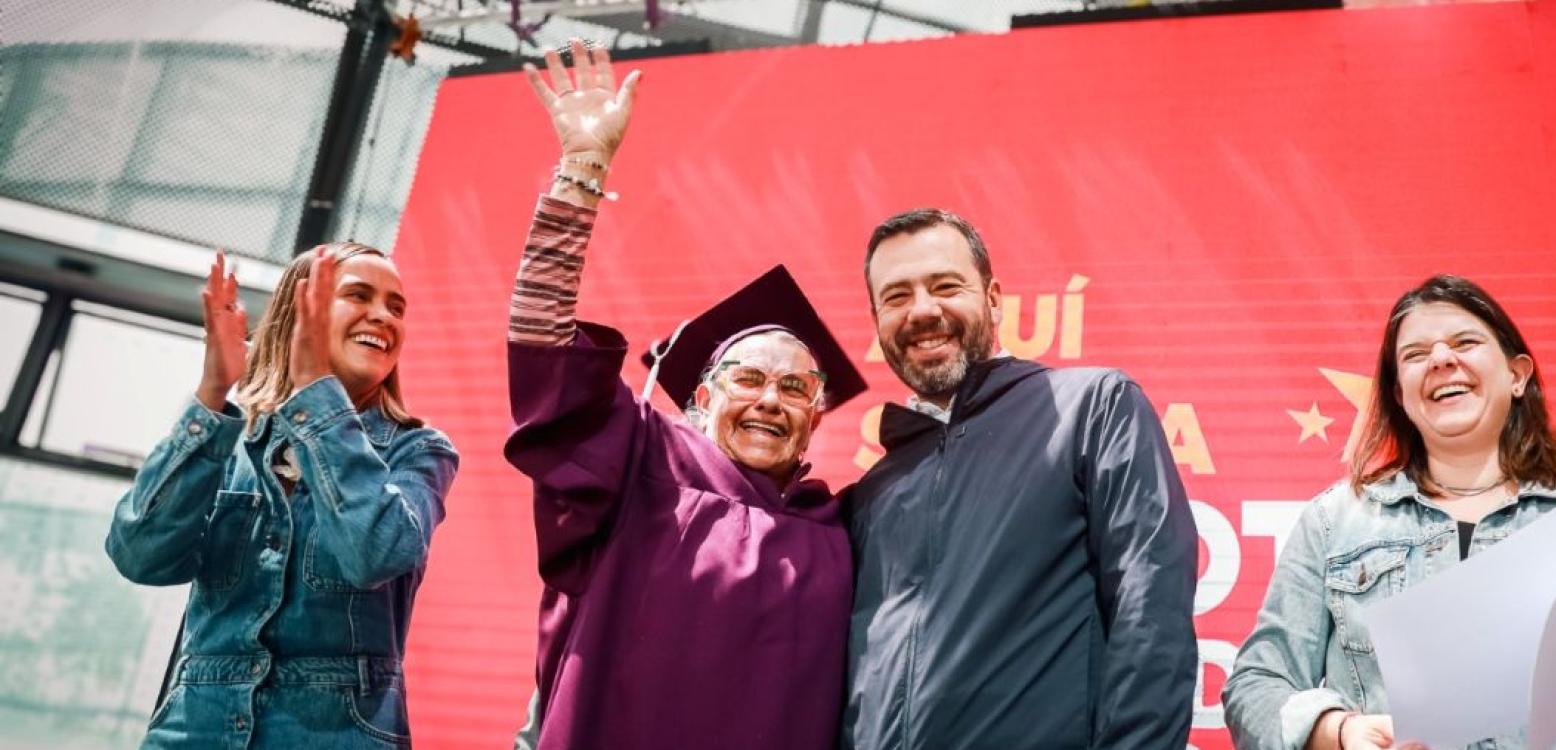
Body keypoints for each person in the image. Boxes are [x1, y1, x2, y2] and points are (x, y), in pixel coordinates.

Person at [505, 40, 867, 750]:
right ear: (701, 394)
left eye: (794, 387)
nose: (770, 398)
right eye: (749, 378)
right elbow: (544, 350)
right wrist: (580, 173)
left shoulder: (840, 529)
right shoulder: (638, 463)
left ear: (816, 416)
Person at [1223, 275, 1556, 750]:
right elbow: (1254, 686)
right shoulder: (1335, 521)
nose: (1442, 360)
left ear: (1518, 375)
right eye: (1416, 354)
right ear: (1399, 395)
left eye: (1465, 343)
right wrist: (1338, 732)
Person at [839, 208, 1199, 749]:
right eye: (896, 296)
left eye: (945, 285)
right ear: (876, 321)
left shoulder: (1093, 408)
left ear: (993, 298)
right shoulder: (873, 491)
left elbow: (1150, 608)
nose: (922, 310)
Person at [106, 241, 459, 748]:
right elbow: (142, 557)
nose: (383, 316)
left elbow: (374, 553)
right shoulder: (230, 437)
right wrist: (212, 393)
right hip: (193, 729)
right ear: (300, 314)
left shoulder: (419, 450)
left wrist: (314, 385)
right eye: (359, 296)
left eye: (396, 307)